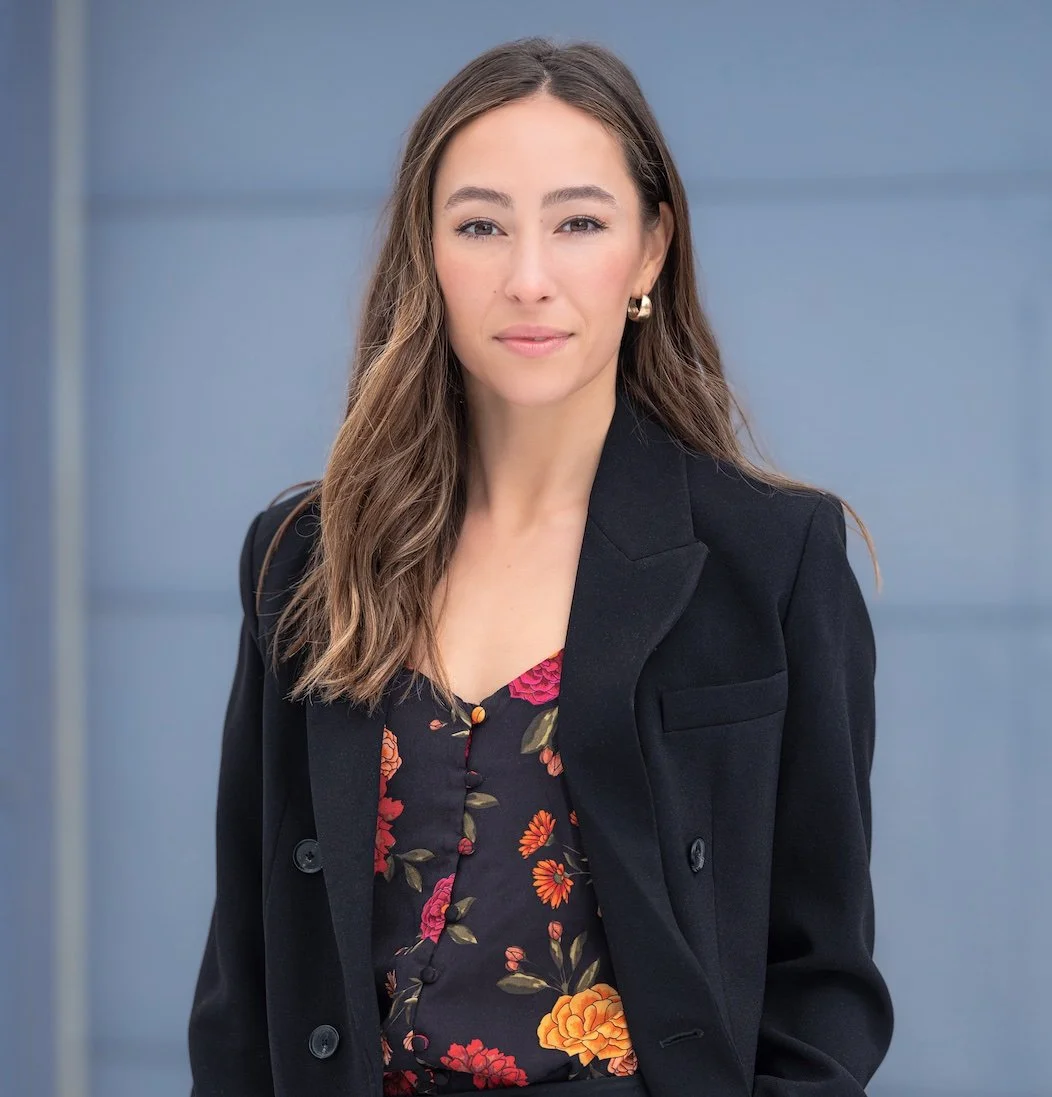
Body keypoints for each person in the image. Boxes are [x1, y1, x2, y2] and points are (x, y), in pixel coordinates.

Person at [188, 35, 894, 1097]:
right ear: (426, 251)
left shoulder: (770, 558)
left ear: (649, 249)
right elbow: (246, 974)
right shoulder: (303, 558)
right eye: (479, 225)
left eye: (577, 223)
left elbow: (821, 975)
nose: (527, 278)